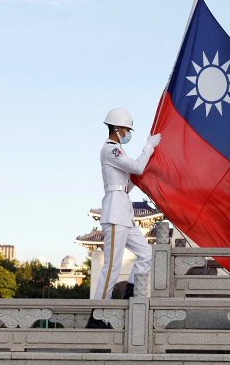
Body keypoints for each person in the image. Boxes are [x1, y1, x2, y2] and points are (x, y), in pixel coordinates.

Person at [87, 107, 160, 328]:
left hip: (124, 213)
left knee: (146, 253)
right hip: (114, 213)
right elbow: (137, 167)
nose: (128, 134)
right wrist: (149, 147)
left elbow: (128, 183)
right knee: (111, 267)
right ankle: (97, 316)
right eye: (127, 130)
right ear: (117, 128)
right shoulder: (111, 150)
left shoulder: (119, 151)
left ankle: (130, 291)